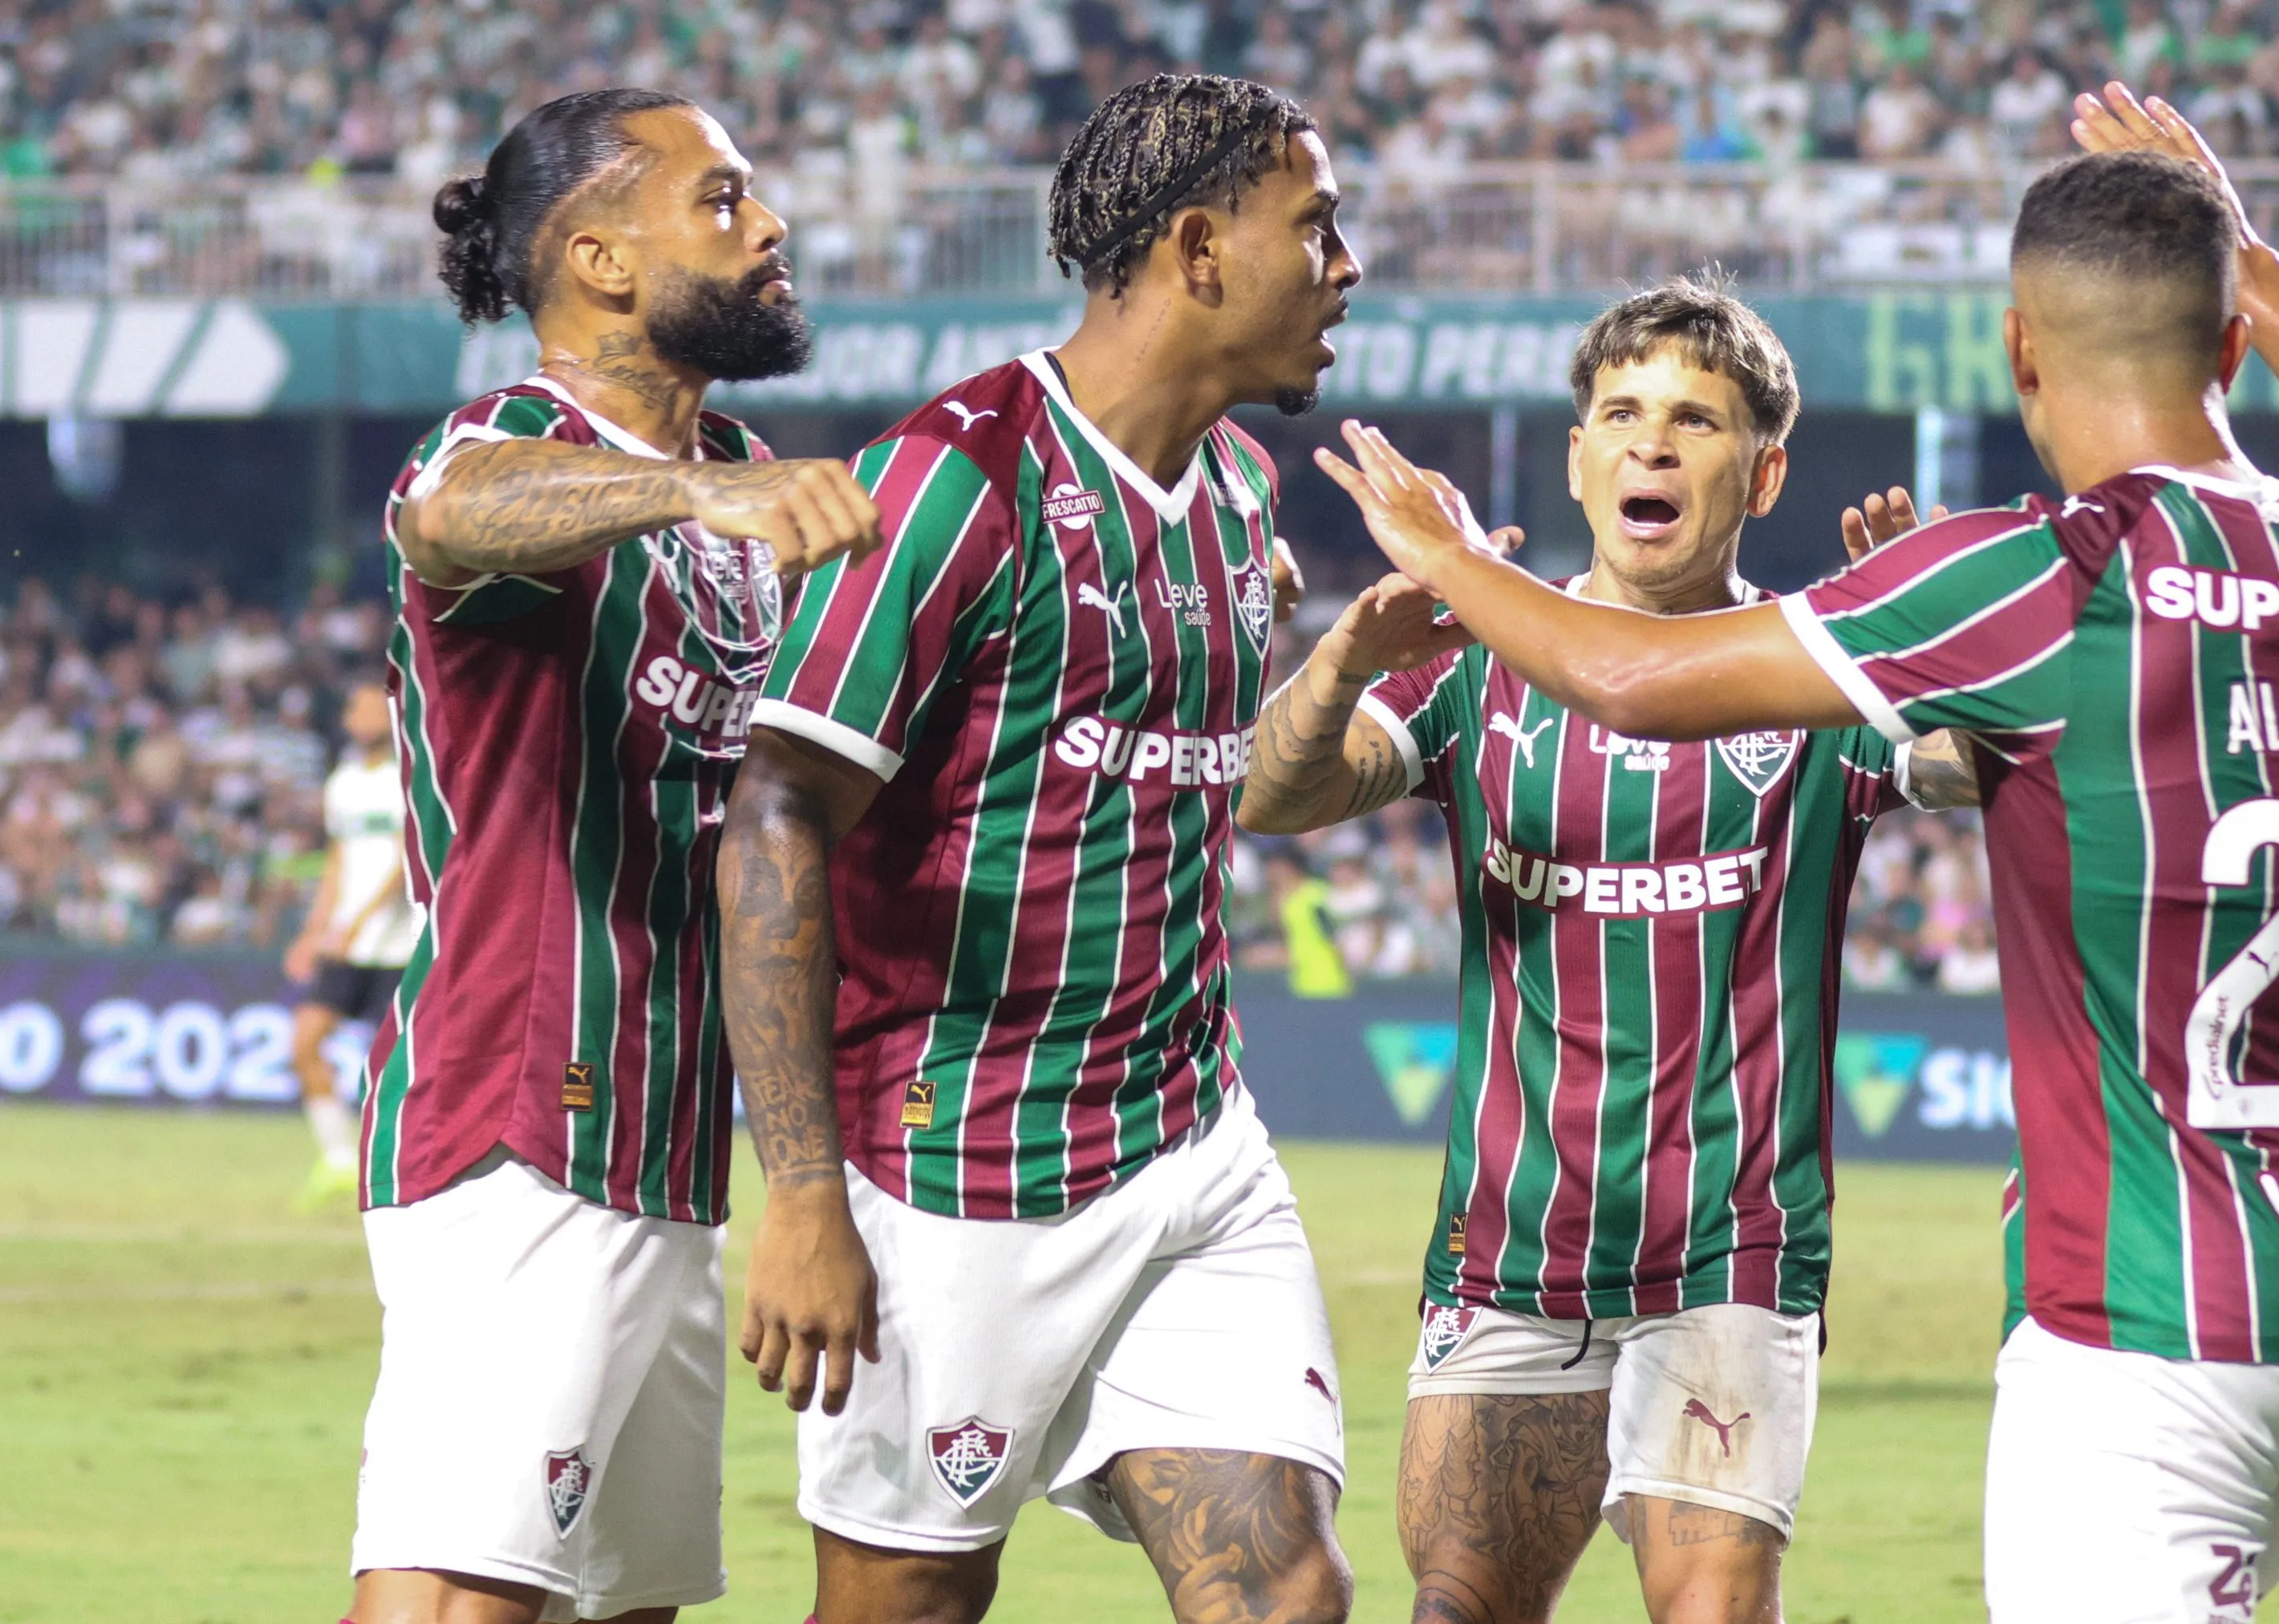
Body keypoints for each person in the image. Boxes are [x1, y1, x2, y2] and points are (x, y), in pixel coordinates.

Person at [1311, 85, 2279, 1621]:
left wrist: (1454, 556)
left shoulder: (2035, 580)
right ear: (2233, 348)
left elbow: (1635, 680)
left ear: (2019, 351)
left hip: (2151, 1314)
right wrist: (2246, 253)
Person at [716, 75, 1357, 1624]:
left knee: (1289, 1598)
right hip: (957, 1171)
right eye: (1315, 227)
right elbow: (778, 814)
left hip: (1190, 1143)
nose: (1345, 266)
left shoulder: (1240, 496)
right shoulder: (953, 479)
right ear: (1201, 250)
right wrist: (802, 1197)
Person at [1237, 273, 1972, 1624]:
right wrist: (1344, 655)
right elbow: (1273, 797)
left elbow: (1985, 765)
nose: (1650, 442)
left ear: (1762, 474)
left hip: (1729, 1253)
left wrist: (1936, 648)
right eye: (1621, 413)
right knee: (1458, 1608)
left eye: (1696, 420)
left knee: (1711, 1610)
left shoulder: (1821, 665)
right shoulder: (1467, 660)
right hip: (1515, 1251)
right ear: (1578, 456)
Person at [352, 88, 877, 1624]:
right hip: (517, 1122)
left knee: (627, 1605)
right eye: (721, 201)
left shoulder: (742, 468)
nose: (770, 226)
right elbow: (451, 520)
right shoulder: (514, 441)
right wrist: (689, 488)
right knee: (464, 1594)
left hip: (664, 1150)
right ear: (599, 261)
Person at [282, 683, 418, 1213]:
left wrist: (358, 920)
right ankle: (339, 1159)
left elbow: (408, 860)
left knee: (398, 1066)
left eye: (367, 707)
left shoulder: (408, 778)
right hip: (346, 942)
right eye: (352, 707)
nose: (357, 716)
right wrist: (315, 930)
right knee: (304, 1042)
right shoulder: (341, 784)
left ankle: (398, 1162)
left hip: (397, 945)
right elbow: (338, 862)